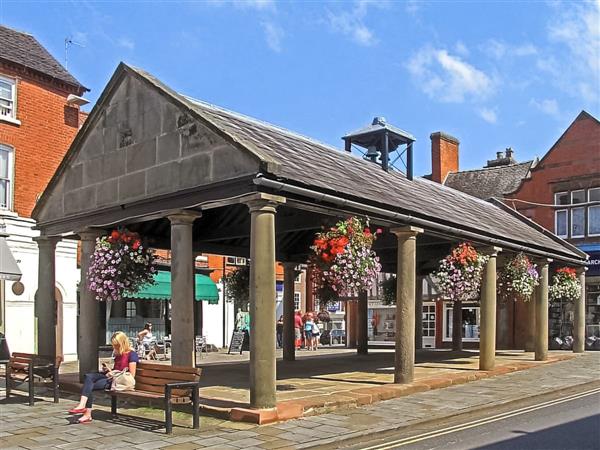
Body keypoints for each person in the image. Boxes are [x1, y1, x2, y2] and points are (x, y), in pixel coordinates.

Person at [68, 331, 139, 423]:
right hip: (112, 377)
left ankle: (86, 413)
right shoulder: (118, 354)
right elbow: (116, 369)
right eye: (114, 345)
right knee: (89, 377)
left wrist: (112, 373)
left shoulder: (131, 354)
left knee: (89, 386)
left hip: (118, 381)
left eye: (116, 345)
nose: (114, 347)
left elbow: (131, 375)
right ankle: (82, 406)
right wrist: (108, 370)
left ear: (122, 343)